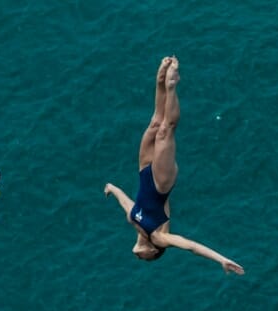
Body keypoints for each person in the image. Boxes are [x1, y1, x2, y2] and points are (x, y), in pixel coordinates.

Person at [104, 56, 244, 275]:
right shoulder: (159, 237)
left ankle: (160, 78)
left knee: (154, 124)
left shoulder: (134, 220)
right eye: (146, 259)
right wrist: (221, 259)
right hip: (161, 181)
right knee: (166, 130)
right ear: (154, 251)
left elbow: (125, 201)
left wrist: (112, 189)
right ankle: (171, 85)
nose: (140, 258)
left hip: (144, 171)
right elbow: (191, 246)